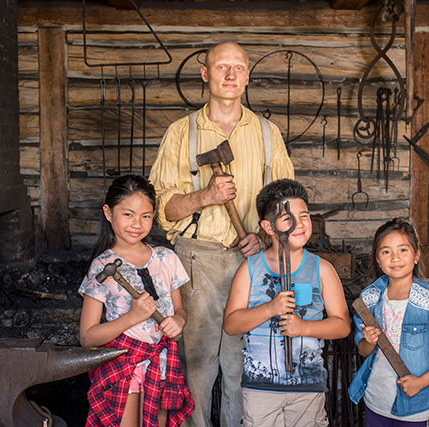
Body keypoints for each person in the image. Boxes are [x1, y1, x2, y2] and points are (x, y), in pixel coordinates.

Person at [149, 41, 294, 426]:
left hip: (252, 261)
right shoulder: (182, 133)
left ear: (247, 75)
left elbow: (286, 205)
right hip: (197, 260)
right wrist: (206, 196)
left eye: (238, 68)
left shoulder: (267, 134)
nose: (230, 75)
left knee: (243, 362)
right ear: (205, 74)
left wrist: (264, 238)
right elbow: (163, 211)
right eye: (221, 67)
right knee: (195, 364)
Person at [223, 179, 350, 427]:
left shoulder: (322, 270)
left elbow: (342, 325)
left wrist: (304, 328)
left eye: (304, 216)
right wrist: (270, 308)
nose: (300, 224)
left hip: (308, 387)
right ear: (268, 228)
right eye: (288, 218)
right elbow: (231, 324)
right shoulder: (250, 269)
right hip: (261, 389)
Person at [78, 175, 194, 427]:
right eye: (128, 214)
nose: (137, 224)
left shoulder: (166, 258)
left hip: (161, 361)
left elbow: (180, 310)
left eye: (146, 216)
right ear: (108, 213)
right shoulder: (101, 266)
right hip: (123, 363)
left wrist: (178, 320)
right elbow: (87, 337)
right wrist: (132, 318)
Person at [348, 217, 429, 426]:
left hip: (413, 403)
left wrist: (421, 382)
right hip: (375, 398)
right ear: (377, 260)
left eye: (403, 250)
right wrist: (368, 340)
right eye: (386, 251)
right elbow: (363, 351)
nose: (395, 258)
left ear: (416, 256)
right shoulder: (370, 298)